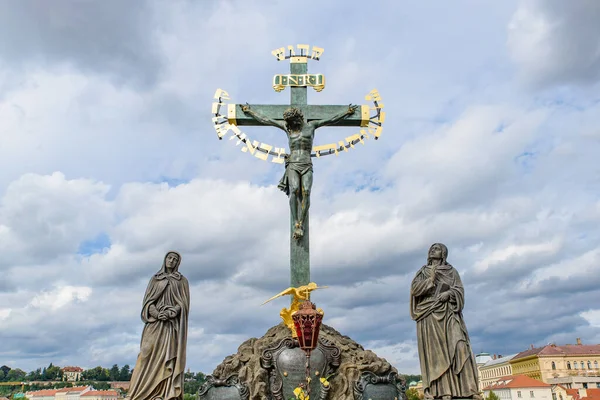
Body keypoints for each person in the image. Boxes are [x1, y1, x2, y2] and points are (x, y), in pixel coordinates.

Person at [241, 104, 357, 240]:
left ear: (299, 117)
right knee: (295, 190)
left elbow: (331, 119)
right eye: (289, 122)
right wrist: (250, 112)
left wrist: (346, 113)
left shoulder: (312, 126)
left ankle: (301, 222)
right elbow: (267, 120)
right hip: (293, 164)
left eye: (293, 121)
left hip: (306, 163)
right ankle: (296, 223)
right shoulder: (288, 128)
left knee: (306, 192)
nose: (291, 124)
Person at [410, 243, 480, 400]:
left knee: (460, 345)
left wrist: (449, 294)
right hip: (429, 314)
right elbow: (415, 290)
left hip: (449, 312)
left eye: (437, 248)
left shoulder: (452, 272)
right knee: (437, 354)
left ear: (443, 254)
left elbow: (459, 290)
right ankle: (443, 391)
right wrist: (431, 280)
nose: (433, 250)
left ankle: (468, 389)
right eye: (432, 248)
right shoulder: (423, 271)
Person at [128, 251, 190, 400]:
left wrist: (173, 311)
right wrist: (156, 314)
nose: (172, 261)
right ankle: (136, 394)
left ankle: (163, 393)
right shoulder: (155, 279)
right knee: (145, 354)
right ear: (165, 259)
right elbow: (148, 303)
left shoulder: (182, 281)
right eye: (169, 258)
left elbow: (184, 303)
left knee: (168, 358)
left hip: (171, 326)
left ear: (178, 263)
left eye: (175, 259)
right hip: (154, 324)